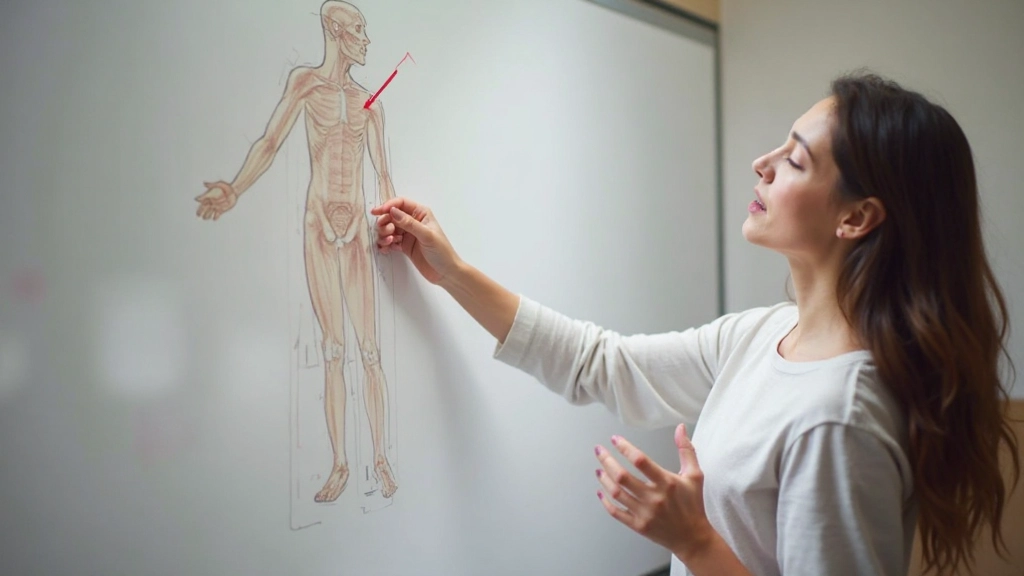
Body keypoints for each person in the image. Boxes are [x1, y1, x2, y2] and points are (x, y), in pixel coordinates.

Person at [369, 72, 1019, 575]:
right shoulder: (764, 335)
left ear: (856, 219)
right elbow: (602, 363)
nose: (762, 164)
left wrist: (693, 539)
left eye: (795, 161)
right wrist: (451, 273)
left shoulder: (839, 415)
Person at [195, 1, 398, 502]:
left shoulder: (370, 103)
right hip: (318, 226)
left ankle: (381, 460)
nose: (366, 40)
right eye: (357, 30)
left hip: (355, 232)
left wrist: (393, 224)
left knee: (369, 352)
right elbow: (269, 141)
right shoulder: (306, 84)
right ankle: (340, 465)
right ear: (333, 30)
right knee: (334, 351)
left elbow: (386, 177)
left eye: (365, 31)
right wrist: (235, 190)